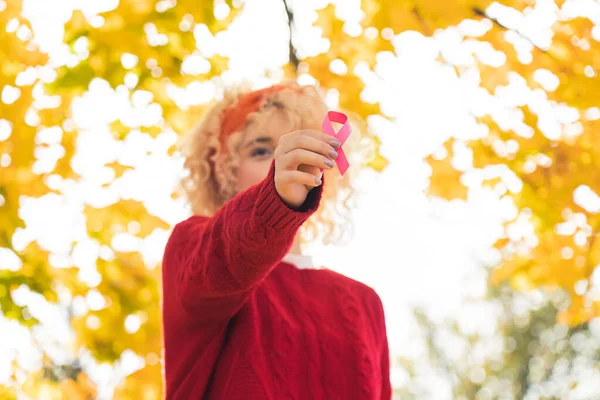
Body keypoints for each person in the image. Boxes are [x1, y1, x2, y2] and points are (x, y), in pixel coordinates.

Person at [161, 81, 391, 399]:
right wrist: (274, 199)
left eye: (305, 147)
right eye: (261, 150)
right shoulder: (192, 250)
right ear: (224, 170)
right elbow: (226, 255)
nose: (285, 159)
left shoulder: (365, 304)